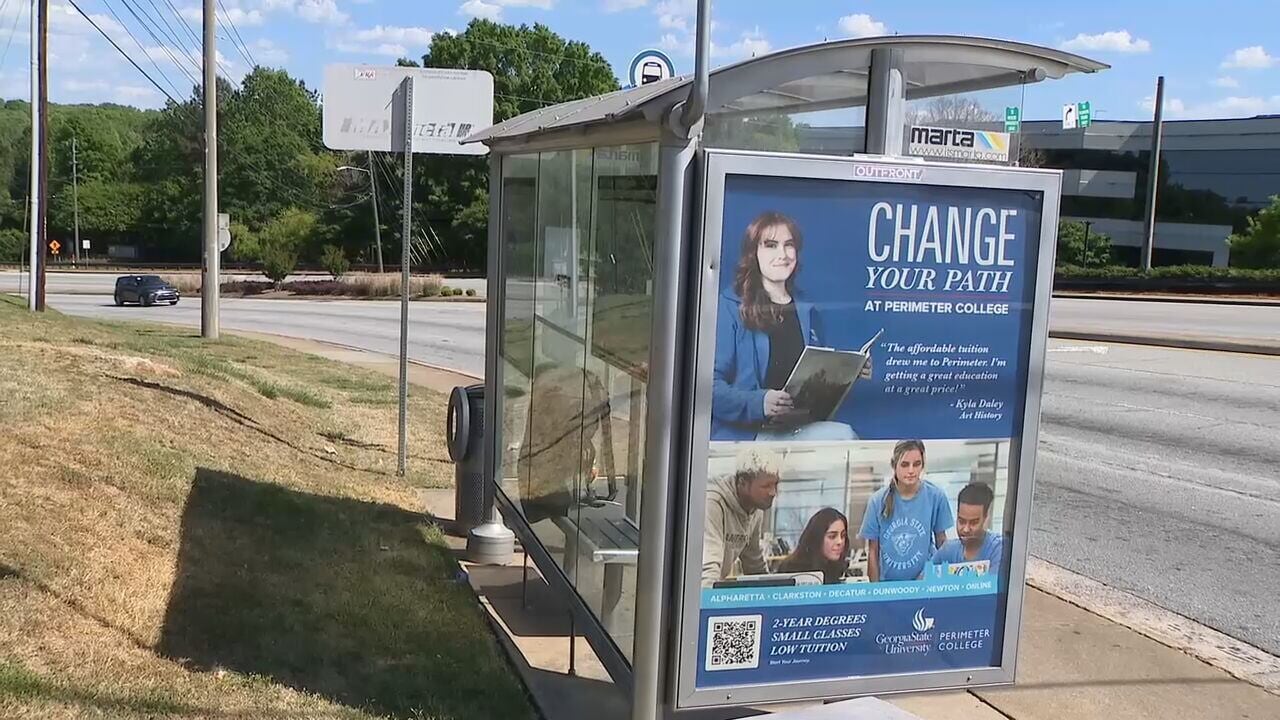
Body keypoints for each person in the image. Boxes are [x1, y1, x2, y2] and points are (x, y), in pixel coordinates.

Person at [711, 211, 866, 442]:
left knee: (845, 437)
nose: (782, 255)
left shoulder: (807, 310)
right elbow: (707, 387)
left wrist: (850, 372)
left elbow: (812, 385)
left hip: (795, 428)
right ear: (754, 253)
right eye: (771, 245)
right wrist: (759, 403)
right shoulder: (730, 306)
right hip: (748, 435)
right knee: (843, 438)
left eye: (789, 245)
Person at [858, 440, 954, 582]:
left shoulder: (936, 496)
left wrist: (945, 581)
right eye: (904, 464)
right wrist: (875, 591)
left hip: (925, 582)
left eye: (917, 464)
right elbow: (873, 551)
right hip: (889, 586)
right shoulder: (877, 501)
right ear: (894, 465)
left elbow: (942, 542)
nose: (911, 470)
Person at [702, 448, 781, 587]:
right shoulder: (713, 504)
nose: (773, 492)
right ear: (742, 483)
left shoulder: (755, 511)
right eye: (766, 486)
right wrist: (709, 605)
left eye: (775, 484)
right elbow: (707, 568)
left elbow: (754, 564)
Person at [931, 483, 1005, 570]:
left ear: (986, 518)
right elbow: (921, 581)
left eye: (973, 523)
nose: (966, 529)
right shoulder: (947, 550)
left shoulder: (998, 549)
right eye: (961, 521)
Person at [776, 507, 851, 584]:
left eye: (843, 535)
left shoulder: (840, 569)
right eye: (832, 536)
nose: (840, 541)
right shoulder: (791, 569)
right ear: (817, 538)